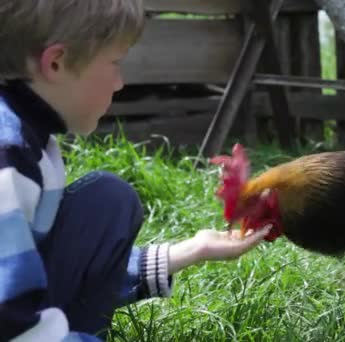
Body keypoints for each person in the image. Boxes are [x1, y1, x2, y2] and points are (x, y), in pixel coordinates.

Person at [0, 1, 271, 341]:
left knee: (106, 201)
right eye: (115, 63)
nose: (119, 82)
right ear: (56, 62)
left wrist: (193, 250)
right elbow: (10, 322)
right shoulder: (9, 159)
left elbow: (33, 263)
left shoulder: (31, 140)